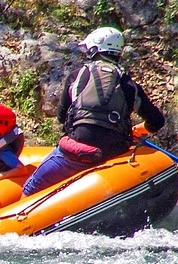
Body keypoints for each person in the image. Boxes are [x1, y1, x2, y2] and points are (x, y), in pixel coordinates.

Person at [22, 27, 166, 196]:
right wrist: (138, 130)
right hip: (114, 152)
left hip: (77, 151)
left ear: (94, 50)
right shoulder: (129, 85)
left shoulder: (76, 76)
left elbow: (62, 117)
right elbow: (157, 121)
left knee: (30, 188)